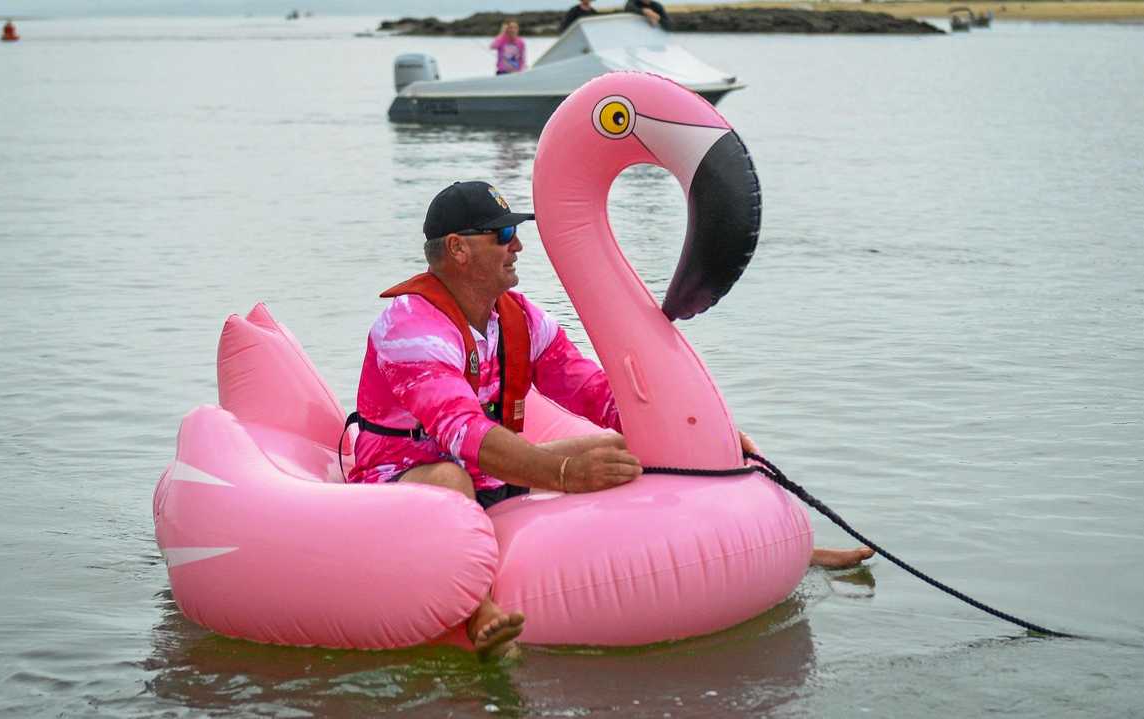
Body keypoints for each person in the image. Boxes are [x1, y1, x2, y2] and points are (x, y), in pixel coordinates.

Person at [349, 181, 873, 660]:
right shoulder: (409, 326)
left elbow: (589, 387)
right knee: (450, 477)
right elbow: (460, 430)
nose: (518, 246)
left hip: (490, 468)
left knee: (634, 446)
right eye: (503, 235)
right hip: (402, 474)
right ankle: (479, 610)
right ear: (458, 249)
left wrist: (681, 431)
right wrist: (560, 476)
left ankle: (787, 545)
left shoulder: (520, 316)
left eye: (517, 233)